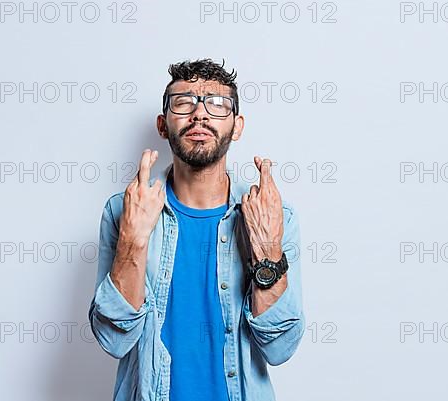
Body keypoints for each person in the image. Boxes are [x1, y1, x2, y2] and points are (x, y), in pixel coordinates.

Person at [88, 58, 305, 401]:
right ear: (163, 125)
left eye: (217, 104)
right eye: (184, 102)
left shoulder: (272, 215)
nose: (200, 114)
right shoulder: (123, 211)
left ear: (237, 126)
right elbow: (114, 340)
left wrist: (266, 251)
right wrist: (133, 240)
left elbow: (280, 347)